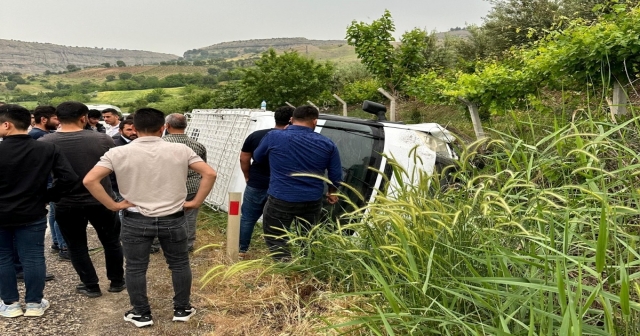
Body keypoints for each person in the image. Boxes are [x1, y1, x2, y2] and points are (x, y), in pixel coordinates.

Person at [83, 108, 217, 328]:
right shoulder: (181, 149)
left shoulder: (117, 152)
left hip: (136, 218)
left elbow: (90, 180)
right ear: (162, 128)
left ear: (134, 129)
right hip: (173, 217)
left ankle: (141, 313)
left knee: (136, 267)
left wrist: (113, 205)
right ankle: (182, 309)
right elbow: (209, 173)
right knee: (179, 263)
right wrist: (195, 202)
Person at [39, 101, 125, 299]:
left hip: (66, 203)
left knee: (76, 246)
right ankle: (117, 281)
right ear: (84, 118)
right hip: (101, 200)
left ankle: (91, 285)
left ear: (58, 119)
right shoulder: (103, 139)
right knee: (111, 242)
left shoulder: (45, 142)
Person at [0, 104, 78, 318]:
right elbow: (69, 178)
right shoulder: (45, 148)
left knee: (3, 257)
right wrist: (47, 196)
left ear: (6, 125)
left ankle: (10, 304)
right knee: (33, 257)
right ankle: (34, 303)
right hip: (32, 211)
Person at [253, 105, 342, 260]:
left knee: (276, 237)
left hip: (281, 198)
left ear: (291, 120)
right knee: (308, 238)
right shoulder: (328, 144)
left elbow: (258, 157)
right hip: (312, 201)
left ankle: (286, 268)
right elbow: (336, 176)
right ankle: (307, 268)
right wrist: (332, 193)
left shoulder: (274, 136)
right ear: (315, 121)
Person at [238, 106, 293, 256]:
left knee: (248, 217)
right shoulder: (294, 139)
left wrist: (248, 176)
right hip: (282, 186)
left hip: (257, 182)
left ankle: (242, 249)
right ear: (292, 120)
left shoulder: (256, 136)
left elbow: (244, 158)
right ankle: (278, 252)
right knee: (280, 221)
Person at [28, 106, 69, 261]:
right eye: (55, 118)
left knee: (53, 214)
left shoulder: (41, 135)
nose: (58, 122)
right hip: (50, 180)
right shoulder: (39, 136)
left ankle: (57, 242)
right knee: (59, 214)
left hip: (48, 180)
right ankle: (64, 246)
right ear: (44, 119)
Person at [162, 113, 207, 252]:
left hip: (166, 187)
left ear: (167, 126)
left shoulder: (159, 144)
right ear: (186, 126)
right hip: (192, 187)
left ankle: (161, 243)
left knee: (163, 216)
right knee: (189, 217)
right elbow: (203, 168)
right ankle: (187, 245)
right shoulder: (198, 145)